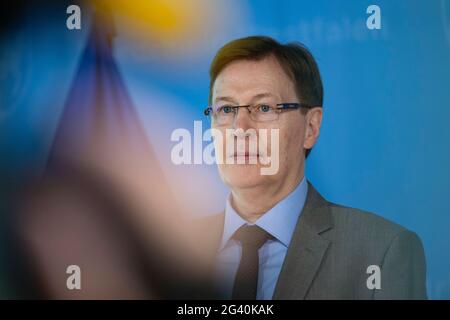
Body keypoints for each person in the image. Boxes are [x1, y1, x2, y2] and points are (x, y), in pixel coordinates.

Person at [201, 36, 427, 300]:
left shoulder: (382, 251)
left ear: (311, 127)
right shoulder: (165, 248)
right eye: (226, 109)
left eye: (264, 107)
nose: (239, 129)